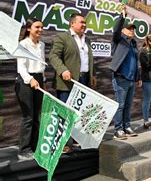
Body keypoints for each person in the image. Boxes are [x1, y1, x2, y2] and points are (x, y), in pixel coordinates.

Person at [15, 19, 46, 160]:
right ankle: (24, 150)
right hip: (25, 81)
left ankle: (34, 147)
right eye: (37, 27)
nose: (40, 30)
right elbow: (21, 67)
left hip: (38, 80)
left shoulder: (42, 45)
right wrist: (30, 79)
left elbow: (41, 65)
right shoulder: (23, 44)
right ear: (29, 28)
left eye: (42, 27)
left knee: (36, 116)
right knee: (28, 116)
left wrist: (41, 80)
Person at [110, 5, 141, 139]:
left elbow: (135, 61)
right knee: (120, 105)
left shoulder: (134, 43)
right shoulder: (118, 40)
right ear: (123, 30)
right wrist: (122, 15)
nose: (132, 30)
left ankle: (127, 126)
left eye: (133, 29)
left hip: (131, 79)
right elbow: (116, 29)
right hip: (120, 78)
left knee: (128, 105)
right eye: (129, 28)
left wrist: (138, 77)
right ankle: (118, 129)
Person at [49, 13, 96, 102]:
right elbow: (53, 56)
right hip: (68, 83)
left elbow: (88, 59)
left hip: (85, 81)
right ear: (72, 24)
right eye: (81, 22)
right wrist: (63, 70)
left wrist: (92, 75)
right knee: (66, 113)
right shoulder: (62, 37)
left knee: (81, 112)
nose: (84, 25)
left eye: (85, 23)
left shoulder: (87, 40)